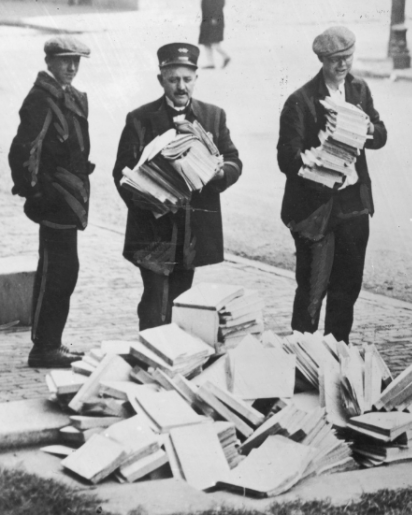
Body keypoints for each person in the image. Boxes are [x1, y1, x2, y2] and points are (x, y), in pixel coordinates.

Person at [113, 43, 242, 331]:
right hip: (153, 232)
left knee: (182, 301)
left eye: (187, 79)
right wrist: (148, 200)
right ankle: (150, 363)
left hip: (191, 231)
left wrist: (220, 172)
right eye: (173, 80)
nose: (181, 87)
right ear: (161, 80)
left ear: (196, 78)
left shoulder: (213, 116)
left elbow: (234, 160)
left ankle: (176, 363)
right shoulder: (140, 119)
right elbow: (120, 173)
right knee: (155, 303)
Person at [277, 26, 387, 342]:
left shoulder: (359, 90)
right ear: (322, 60)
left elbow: (380, 134)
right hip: (317, 205)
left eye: (347, 58)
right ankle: (304, 357)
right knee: (313, 287)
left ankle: (337, 352)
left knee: (347, 286)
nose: (342, 65)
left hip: (353, 201)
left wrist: (368, 128)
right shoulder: (301, 100)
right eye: (335, 60)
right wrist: (306, 160)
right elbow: (286, 156)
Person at [9, 37, 94, 368]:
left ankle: (51, 343)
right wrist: (36, 194)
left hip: (69, 200)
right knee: (56, 272)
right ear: (49, 62)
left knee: (64, 271)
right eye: (64, 61)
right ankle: (44, 348)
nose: (71, 67)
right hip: (56, 201)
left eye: (76, 61)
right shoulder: (42, 100)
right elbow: (23, 151)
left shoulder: (69, 96)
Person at [199, 0, 230, 69]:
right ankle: (210, 63)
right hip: (206, 20)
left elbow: (221, 3)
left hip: (215, 20)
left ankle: (226, 57)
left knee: (214, 42)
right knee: (205, 42)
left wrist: (215, 17)